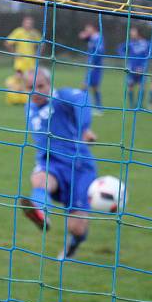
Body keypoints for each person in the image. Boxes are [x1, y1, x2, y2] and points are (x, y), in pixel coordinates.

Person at [18, 69, 97, 260]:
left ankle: (73, 244)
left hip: (79, 167)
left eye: (41, 86)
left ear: (50, 84)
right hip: (51, 163)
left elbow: (83, 100)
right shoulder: (29, 106)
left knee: (76, 227)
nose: (35, 92)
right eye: (30, 88)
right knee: (39, 180)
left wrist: (84, 127)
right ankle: (41, 211)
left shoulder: (62, 97)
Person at [117, 26, 150, 109]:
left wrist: (142, 67)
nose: (131, 34)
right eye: (131, 32)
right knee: (130, 86)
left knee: (142, 86)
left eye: (133, 32)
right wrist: (125, 57)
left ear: (138, 33)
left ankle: (139, 105)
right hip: (131, 69)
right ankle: (131, 105)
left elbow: (148, 56)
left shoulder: (145, 43)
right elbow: (120, 49)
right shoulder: (130, 43)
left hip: (141, 70)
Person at [78, 23, 105, 113]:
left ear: (93, 29)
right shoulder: (93, 38)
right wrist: (84, 37)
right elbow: (87, 40)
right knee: (94, 87)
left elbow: (99, 51)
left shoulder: (98, 38)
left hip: (94, 66)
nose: (86, 31)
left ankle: (85, 107)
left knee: (84, 86)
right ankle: (98, 108)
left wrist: (93, 63)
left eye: (88, 29)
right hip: (92, 65)